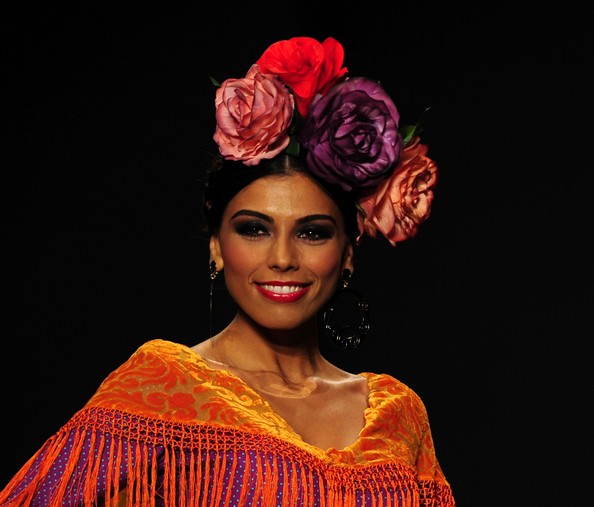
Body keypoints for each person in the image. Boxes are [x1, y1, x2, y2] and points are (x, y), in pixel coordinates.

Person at [0, 36, 455, 506]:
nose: (282, 257)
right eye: (254, 230)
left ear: (348, 252)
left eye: (312, 232)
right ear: (217, 246)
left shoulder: (398, 414)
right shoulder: (163, 388)